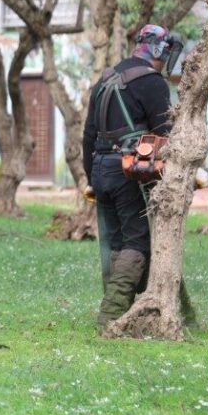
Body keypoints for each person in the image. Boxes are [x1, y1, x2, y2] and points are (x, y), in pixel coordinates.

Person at [82, 24, 183, 330]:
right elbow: (165, 134)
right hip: (128, 171)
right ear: (159, 50)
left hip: (100, 167)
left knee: (116, 243)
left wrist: (92, 178)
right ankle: (110, 317)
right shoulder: (151, 82)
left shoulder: (106, 77)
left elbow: (88, 134)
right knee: (137, 242)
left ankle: (122, 309)